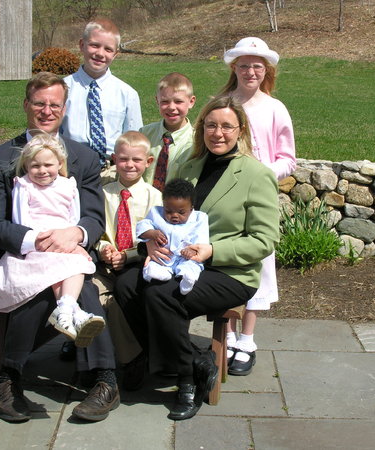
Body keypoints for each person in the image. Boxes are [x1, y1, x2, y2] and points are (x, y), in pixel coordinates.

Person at [113, 95, 280, 421]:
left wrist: (212, 250)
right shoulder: (188, 166)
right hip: (178, 262)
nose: (218, 133)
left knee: (162, 295)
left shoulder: (256, 175)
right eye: (211, 125)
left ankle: (187, 380)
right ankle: (197, 360)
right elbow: (165, 215)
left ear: (241, 130)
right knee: (126, 285)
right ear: (202, 128)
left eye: (227, 126)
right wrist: (151, 241)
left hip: (229, 271)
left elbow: (264, 241)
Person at [0, 72, 120, 423]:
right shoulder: (0, 158)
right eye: (39, 103)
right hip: (21, 253)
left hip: (70, 251)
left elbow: (93, 217)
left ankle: (104, 380)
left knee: (82, 288)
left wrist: (76, 234)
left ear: (64, 109)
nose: (46, 111)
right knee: (36, 288)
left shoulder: (84, 157)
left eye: (54, 104)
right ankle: (9, 378)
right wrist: (35, 241)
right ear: (26, 105)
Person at [218, 37, 296, 376]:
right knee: (225, 261)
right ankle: (226, 335)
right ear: (234, 68)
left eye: (257, 66)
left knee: (259, 262)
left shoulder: (275, 108)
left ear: (267, 71)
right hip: (225, 195)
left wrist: (262, 173)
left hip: (259, 197)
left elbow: (287, 158)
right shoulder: (222, 104)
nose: (251, 72)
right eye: (244, 65)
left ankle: (247, 340)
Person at [0, 133, 105, 348]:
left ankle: (66, 310)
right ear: (26, 166)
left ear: (60, 164)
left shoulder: (67, 185)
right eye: (35, 166)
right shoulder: (24, 186)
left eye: (48, 165)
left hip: (65, 239)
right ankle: (74, 313)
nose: (42, 170)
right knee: (63, 267)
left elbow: (74, 216)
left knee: (77, 264)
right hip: (38, 243)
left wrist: (73, 242)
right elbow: (21, 220)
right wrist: (44, 241)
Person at [93, 131, 162, 389]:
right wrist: (104, 248)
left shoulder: (154, 197)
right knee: (91, 296)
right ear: (114, 159)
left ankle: (131, 358)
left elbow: (156, 236)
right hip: (105, 263)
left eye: (136, 160)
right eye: (123, 159)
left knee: (119, 301)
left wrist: (128, 255)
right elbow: (96, 228)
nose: (129, 165)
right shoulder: (104, 194)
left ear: (148, 162)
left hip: (137, 263)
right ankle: (93, 359)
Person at [61, 19, 143, 167]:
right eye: (94, 45)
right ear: (82, 45)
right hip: (71, 166)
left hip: (111, 169)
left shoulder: (127, 94)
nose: (100, 53)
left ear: (115, 54)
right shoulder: (63, 88)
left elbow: (134, 140)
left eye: (108, 49)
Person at [137, 178, 209, 295]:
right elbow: (142, 226)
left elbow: (202, 239)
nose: (174, 215)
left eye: (181, 212)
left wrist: (192, 250)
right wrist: (151, 233)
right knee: (154, 264)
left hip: (184, 257)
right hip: (164, 256)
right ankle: (155, 274)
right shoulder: (156, 213)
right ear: (164, 205)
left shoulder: (199, 218)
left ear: (191, 208)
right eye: (169, 211)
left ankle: (188, 279)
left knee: (192, 265)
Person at [139, 72, 196, 190]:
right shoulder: (145, 134)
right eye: (165, 101)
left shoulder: (197, 141)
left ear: (191, 102)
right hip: (145, 198)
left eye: (178, 101)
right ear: (157, 101)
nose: (171, 107)